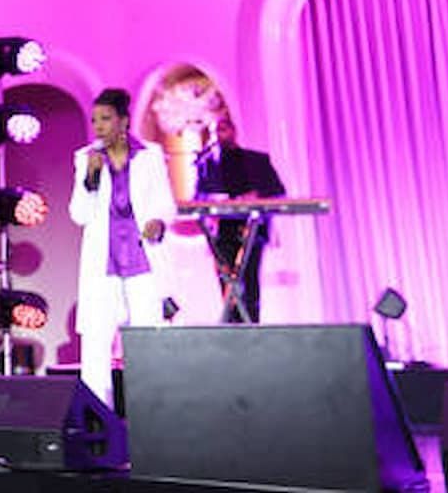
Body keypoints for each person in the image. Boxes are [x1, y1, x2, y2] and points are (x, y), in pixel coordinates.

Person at [68, 87, 177, 410]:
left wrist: (158, 221)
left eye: (105, 119)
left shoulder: (150, 155)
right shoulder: (86, 158)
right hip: (103, 265)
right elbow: (78, 214)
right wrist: (90, 179)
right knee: (96, 344)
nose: (98, 126)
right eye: (94, 120)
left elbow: (165, 203)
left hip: (142, 261)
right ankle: (98, 421)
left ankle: (153, 415)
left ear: (124, 121)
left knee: (146, 342)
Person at [194, 114, 286, 323]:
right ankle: (233, 328)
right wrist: (217, 201)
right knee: (227, 282)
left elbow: (277, 191)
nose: (218, 135)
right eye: (214, 131)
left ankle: (252, 327)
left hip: (251, 228)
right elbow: (198, 198)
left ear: (233, 131)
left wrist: (256, 196)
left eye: (223, 129)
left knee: (250, 280)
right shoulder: (206, 165)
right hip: (221, 232)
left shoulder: (256, 161)